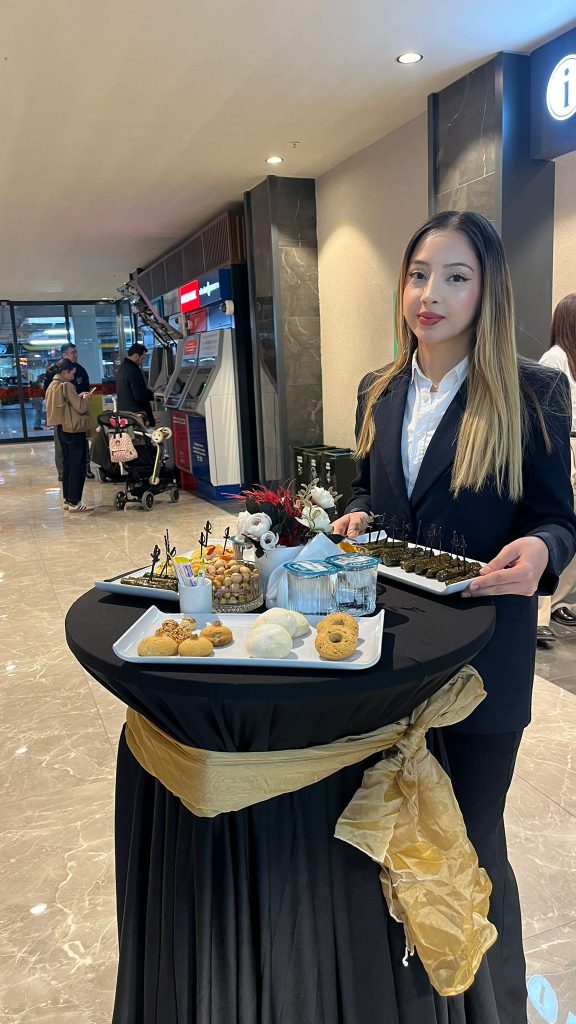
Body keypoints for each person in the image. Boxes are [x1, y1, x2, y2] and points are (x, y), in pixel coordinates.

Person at [331, 211, 576, 1024]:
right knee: (398, 836)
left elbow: (556, 516)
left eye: (455, 277)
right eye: (418, 274)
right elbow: (370, 488)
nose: (429, 294)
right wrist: (358, 515)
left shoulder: (534, 393)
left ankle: (496, 1008)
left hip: (484, 666)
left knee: (473, 841)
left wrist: (541, 551)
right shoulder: (378, 388)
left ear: (487, 290)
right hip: (391, 657)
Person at [537, 293, 576, 646]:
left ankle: (562, 601)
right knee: (552, 525)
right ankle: (540, 615)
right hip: (564, 450)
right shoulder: (555, 358)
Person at [45, 358, 94, 513]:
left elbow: (64, 406)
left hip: (61, 428)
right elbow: (80, 408)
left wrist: (78, 397)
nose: (73, 377)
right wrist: (85, 398)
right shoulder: (67, 386)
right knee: (77, 466)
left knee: (67, 465)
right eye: (72, 373)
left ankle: (67, 500)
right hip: (73, 430)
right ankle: (75, 502)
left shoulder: (52, 386)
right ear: (65, 372)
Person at [52, 343, 95, 479]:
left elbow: (85, 388)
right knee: (62, 446)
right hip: (63, 416)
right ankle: (63, 472)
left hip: (78, 415)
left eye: (76, 352)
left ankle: (85, 468)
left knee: (82, 443)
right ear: (64, 354)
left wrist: (82, 397)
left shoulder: (80, 370)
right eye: (72, 352)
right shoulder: (56, 374)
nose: (75, 355)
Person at [115, 343, 156, 426]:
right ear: (136, 356)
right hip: (137, 415)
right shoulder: (133, 371)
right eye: (142, 358)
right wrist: (150, 392)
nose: (142, 361)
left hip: (125, 414)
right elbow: (139, 396)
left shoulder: (122, 368)